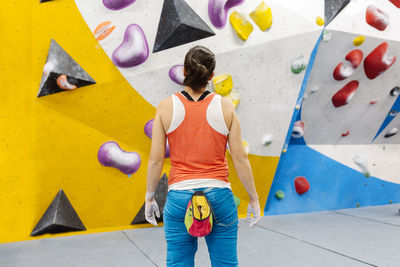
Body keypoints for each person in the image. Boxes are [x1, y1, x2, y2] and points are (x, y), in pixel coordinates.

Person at [144, 46, 260, 267]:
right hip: (220, 199)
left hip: (179, 199)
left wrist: (149, 197)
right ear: (212, 76)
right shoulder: (226, 108)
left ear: (185, 71)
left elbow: (156, 160)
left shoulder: (165, 107)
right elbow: (240, 159)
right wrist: (253, 197)